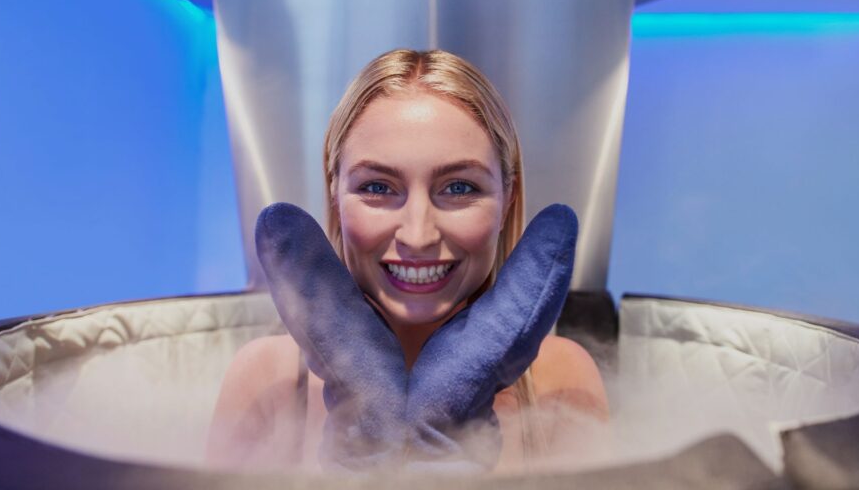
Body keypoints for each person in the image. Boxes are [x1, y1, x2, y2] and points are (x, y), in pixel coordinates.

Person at [207, 49, 608, 473]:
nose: (418, 236)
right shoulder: (266, 380)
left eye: (458, 188)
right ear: (335, 194)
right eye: (378, 187)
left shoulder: (561, 381)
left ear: (507, 199)